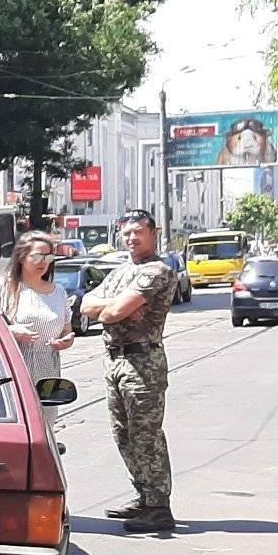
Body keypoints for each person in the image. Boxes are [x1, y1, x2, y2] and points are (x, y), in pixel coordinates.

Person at [81, 210, 179, 533]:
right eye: (126, 234)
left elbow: (114, 312)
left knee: (145, 434)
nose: (131, 239)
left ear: (153, 233)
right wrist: (108, 308)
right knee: (122, 433)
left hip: (143, 363)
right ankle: (143, 495)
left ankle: (158, 506)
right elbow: (88, 304)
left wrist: (110, 309)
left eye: (137, 232)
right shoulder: (122, 272)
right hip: (114, 359)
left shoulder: (158, 271)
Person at [0, 231, 75, 382]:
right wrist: (10, 331)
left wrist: (66, 339)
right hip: (12, 373)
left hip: (48, 374)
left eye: (49, 257)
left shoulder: (58, 292)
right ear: (21, 257)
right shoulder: (1, 287)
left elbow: (66, 330)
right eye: (37, 256)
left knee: (44, 406)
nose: (44, 262)